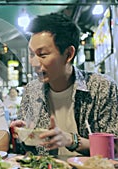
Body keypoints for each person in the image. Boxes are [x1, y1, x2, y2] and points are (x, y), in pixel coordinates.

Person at [10, 13, 118, 156]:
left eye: (42, 55)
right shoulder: (32, 91)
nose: (34, 63)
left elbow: (114, 147)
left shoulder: (101, 87)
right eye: (31, 54)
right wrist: (19, 134)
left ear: (68, 54)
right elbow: (28, 150)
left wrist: (71, 140)